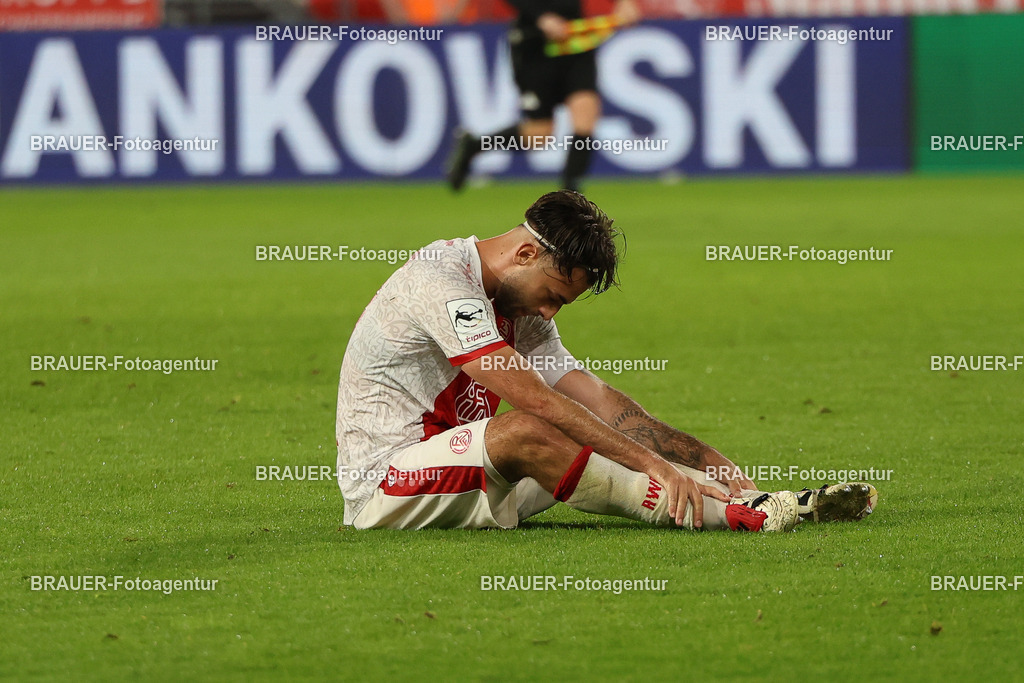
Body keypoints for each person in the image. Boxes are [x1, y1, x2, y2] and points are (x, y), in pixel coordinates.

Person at [336, 190, 878, 530]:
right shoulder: (442, 282)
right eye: (551, 294)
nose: (549, 312)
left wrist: (712, 460)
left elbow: (598, 401)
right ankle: (734, 518)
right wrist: (653, 466)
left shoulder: (523, 303)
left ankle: (755, 496)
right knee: (532, 427)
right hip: (387, 485)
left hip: (472, 473)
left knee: (592, 427)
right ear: (525, 254)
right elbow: (533, 400)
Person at [446, 0, 640, 193]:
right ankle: (474, 146)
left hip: (574, 38)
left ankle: (570, 196)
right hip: (534, 45)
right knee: (539, 134)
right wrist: (541, 16)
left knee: (585, 118)